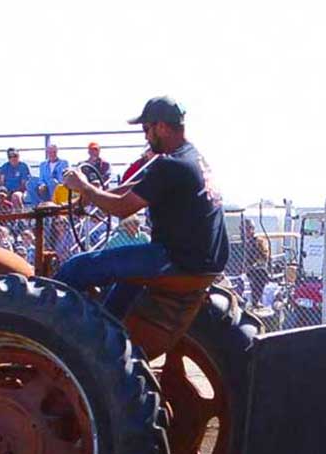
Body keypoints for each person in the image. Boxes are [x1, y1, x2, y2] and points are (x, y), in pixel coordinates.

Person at [55, 97, 227, 309]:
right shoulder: (190, 157)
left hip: (177, 260)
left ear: (161, 127)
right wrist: (91, 197)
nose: (146, 136)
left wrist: (84, 186)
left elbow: (122, 207)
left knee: (76, 268)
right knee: (122, 288)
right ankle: (110, 329)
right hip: (202, 260)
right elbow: (136, 187)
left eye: (147, 129)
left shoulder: (170, 165)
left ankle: (53, 336)